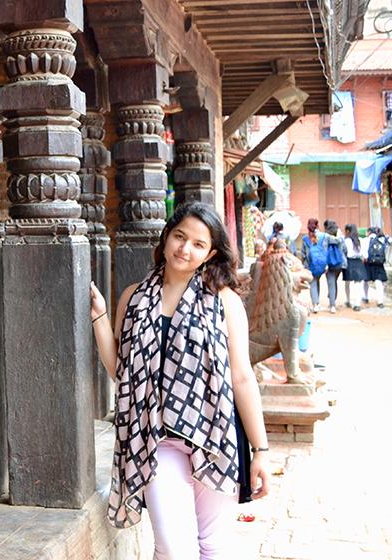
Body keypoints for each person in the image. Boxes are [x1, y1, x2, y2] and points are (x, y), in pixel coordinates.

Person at [89, 202, 270, 560]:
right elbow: (123, 374)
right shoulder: (134, 297)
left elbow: (242, 378)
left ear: (210, 254)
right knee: (173, 549)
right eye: (180, 237)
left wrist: (261, 450)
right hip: (158, 439)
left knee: (213, 547)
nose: (185, 249)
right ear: (167, 237)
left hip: (216, 436)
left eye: (198, 244)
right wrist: (100, 320)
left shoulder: (225, 302)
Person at [300, 218, 328, 313]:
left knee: (313, 283)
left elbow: (303, 254)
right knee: (317, 281)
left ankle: (315, 304)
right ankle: (317, 302)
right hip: (320, 264)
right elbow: (325, 250)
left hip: (309, 264)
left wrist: (303, 264)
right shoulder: (321, 237)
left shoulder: (305, 238)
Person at [342, 223, 368, 311]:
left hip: (349, 262)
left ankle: (348, 300)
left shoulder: (346, 241)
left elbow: (344, 252)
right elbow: (365, 255)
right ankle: (357, 303)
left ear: (348, 231)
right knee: (358, 284)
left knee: (347, 282)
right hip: (358, 262)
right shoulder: (360, 240)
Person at [362, 226, 389, 308]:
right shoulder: (382, 239)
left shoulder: (366, 240)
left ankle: (365, 297)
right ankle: (380, 301)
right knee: (379, 281)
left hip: (368, 263)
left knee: (365, 280)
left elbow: (364, 252)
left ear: (369, 232)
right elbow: (385, 250)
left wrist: (364, 258)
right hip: (379, 263)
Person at [323, 220, 346, 313]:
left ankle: (332, 304)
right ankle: (333, 300)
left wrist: (324, 264)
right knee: (334, 281)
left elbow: (324, 250)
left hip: (329, 263)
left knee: (331, 282)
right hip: (339, 263)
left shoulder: (325, 237)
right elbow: (344, 249)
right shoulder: (340, 238)